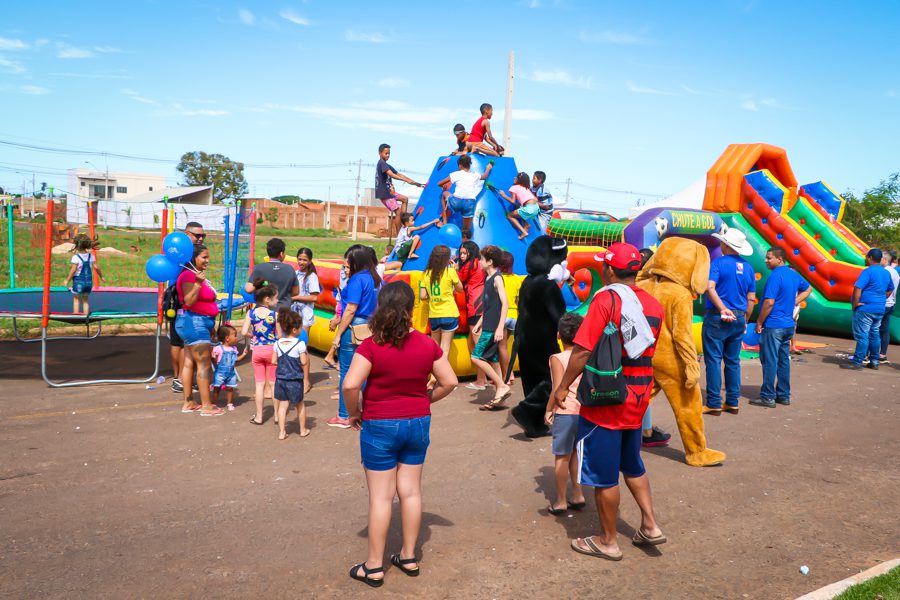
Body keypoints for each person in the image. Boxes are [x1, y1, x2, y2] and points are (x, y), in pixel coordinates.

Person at [552, 242, 666, 560]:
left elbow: (583, 350)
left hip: (607, 399)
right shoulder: (654, 305)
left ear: (610, 270)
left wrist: (562, 388)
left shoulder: (606, 300)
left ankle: (608, 541)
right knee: (632, 464)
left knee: (603, 476)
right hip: (639, 396)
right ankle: (650, 526)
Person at [343, 281, 458, 587]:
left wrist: (355, 412)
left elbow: (351, 385)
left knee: (381, 497)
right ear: (411, 309)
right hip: (418, 423)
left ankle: (374, 566)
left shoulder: (371, 346)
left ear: (382, 308)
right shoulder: (426, 344)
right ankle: (408, 556)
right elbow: (450, 381)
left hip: (380, 423)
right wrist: (423, 400)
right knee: (411, 491)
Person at [703, 228, 756, 415]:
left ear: (725, 244)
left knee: (714, 360)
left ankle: (714, 403)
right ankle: (732, 402)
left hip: (717, 317)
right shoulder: (749, 268)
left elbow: (710, 287)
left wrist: (722, 308)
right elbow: (751, 299)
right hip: (740, 317)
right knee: (733, 361)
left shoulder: (717, 263)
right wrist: (744, 319)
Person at [329, 245, 382, 428]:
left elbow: (350, 309)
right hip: (371, 327)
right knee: (367, 372)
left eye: (348, 264)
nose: (346, 268)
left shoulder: (357, 280)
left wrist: (338, 335)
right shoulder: (376, 279)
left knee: (347, 372)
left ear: (355, 262)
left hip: (354, 328)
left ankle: (344, 415)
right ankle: (368, 411)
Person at [751, 248, 812, 406]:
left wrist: (759, 322)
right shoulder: (793, 274)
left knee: (770, 360)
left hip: (774, 325)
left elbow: (769, 302)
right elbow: (808, 289)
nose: (766, 260)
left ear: (780, 259)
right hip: (788, 326)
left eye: (769, 258)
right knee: (783, 361)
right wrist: (795, 301)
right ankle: (783, 395)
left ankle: (768, 396)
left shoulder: (775, 276)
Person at [544, 312, 587, 515]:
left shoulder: (557, 358)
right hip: (584, 410)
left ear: (558, 336)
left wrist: (548, 409)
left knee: (561, 456)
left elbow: (558, 387)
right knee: (576, 454)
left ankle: (561, 500)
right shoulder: (586, 355)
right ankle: (578, 494)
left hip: (565, 410)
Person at [175, 243, 223, 416]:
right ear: (193, 258)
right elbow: (188, 301)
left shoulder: (192, 275)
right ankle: (207, 406)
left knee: (189, 363)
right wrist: (197, 284)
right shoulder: (189, 276)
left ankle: (189, 402)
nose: (207, 260)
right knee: (203, 365)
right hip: (194, 323)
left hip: (194, 323)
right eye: (204, 257)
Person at [636, 248, 670, 448]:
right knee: (645, 388)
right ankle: (646, 431)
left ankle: (641, 428)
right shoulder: (664, 287)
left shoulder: (633, 286)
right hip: (656, 345)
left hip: (635, 344)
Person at [471, 245, 512, 410]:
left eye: (481, 259)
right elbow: (488, 308)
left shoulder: (497, 278)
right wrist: (479, 324)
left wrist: (500, 327)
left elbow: (505, 304)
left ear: (489, 261)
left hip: (493, 327)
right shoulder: (488, 279)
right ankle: (499, 397)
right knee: (494, 362)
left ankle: (501, 385)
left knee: (476, 356)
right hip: (487, 325)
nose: (480, 262)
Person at [841, 248, 894, 371]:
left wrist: (855, 303)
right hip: (879, 308)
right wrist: (881, 298)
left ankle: (857, 362)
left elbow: (858, 288)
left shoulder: (868, 271)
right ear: (880, 259)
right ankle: (874, 361)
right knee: (874, 335)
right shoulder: (886, 273)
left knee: (862, 335)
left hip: (865, 308)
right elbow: (891, 289)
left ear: (869, 258)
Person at [168, 221, 206, 394]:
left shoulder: (192, 252)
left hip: (189, 294)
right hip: (179, 297)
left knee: (183, 341)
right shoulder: (179, 249)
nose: (200, 238)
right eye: (196, 235)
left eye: (202, 236)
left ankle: (183, 378)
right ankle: (180, 378)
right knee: (180, 342)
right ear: (186, 233)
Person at [242, 279, 278, 424]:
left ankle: (258, 416)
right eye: (276, 298)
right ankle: (277, 415)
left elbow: (244, 332)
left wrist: (254, 336)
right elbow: (280, 336)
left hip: (257, 351)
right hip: (272, 351)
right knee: (274, 383)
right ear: (268, 299)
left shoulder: (251, 313)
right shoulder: (274, 315)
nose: (277, 300)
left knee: (259, 384)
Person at [420, 244, 463, 359]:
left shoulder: (426, 274)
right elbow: (460, 289)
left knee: (435, 346)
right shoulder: (450, 272)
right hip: (449, 313)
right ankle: (441, 375)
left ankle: (434, 375)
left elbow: (422, 296)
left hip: (434, 314)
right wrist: (456, 271)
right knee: (445, 348)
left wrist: (434, 297)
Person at [273, 308, 310, 440]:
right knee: (299, 405)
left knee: (283, 406)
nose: (301, 330)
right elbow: (304, 362)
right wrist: (303, 354)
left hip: (281, 379)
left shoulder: (277, 344)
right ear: (294, 330)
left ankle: (282, 432)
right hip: (295, 380)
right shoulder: (300, 344)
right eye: (300, 328)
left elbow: (273, 361)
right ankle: (302, 429)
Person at [375, 144, 424, 237]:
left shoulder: (387, 165)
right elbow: (392, 175)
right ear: (380, 153)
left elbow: (398, 173)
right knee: (398, 212)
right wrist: (405, 180)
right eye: (386, 153)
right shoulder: (381, 163)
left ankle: (405, 224)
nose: (388, 155)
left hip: (390, 193)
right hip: (384, 194)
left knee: (405, 199)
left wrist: (412, 182)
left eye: (389, 154)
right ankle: (400, 235)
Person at [457, 241, 487, 389]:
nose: (462, 256)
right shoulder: (478, 262)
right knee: (472, 340)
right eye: (460, 253)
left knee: (477, 342)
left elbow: (457, 279)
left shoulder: (470, 264)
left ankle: (481, 380)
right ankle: (484, 376)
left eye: (464, 253)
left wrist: (455, 268)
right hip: (479, 301)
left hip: (475, 303)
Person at [438, 155, 493, 232]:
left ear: (460, 165)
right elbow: (484, 177)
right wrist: (488, 168)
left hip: (456, 201)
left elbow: (439, 183)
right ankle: (465, 238)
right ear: (469, 165)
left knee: (444, 194)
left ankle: (444, 222)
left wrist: (443, 186)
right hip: (469, 203)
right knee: (466, 229)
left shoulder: (456, 174)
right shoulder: (475, 175)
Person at [245, 238, 299, 311]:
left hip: (264, 311)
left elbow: (248, 289)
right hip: (283, 311)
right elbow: (296, 292)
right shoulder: (290, 269)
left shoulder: (259, 268)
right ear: (281, 254)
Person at [64, 233, 102, 314]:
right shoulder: (91, 256)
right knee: (85, 300)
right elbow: (96, 267)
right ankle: (86, 316)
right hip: (88, 282)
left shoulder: (76, 257)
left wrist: (67, 280)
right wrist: (101, 276)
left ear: (77, 245)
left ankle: (76, 315)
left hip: (78, 282)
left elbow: (73, 270)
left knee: (76, 299)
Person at [211, 324, 247, 411]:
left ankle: (229, 403)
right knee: (217, 389)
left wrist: (243, 355)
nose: (236, 337)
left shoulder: (234, 349)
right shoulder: (218, 348)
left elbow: (236, 360)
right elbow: (214, 360)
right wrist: (212, 356)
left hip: (231, 373)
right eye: (234, 335)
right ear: (227, 338)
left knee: (230, 388)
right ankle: (214, 404)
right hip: (220, 373)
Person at [498, 251, 521, 386]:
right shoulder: (517, 279)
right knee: (504, 346)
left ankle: (508, 374)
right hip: (514, 316)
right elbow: (518, 301)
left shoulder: (498, 278)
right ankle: (507, 372)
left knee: (502, 348)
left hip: (503, 315)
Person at [324, 260, 349, 371]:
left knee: (342, 333)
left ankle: (334, 358)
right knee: (342, 334)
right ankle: (332, 357)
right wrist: (337, 316)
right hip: (343, 307)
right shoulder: (347, 275)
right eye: (345, 267)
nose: (346, 269)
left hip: (341, 306)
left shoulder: (343, 272)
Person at [497, 172, 539, 240]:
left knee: (509, 215)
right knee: (518, 206)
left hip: (529, 209)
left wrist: (503, 195)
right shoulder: (526, 188)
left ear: (518, 179)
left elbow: (513, 201)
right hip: (536, 208)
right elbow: (536, 199)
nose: (514, 178)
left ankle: (523, 232)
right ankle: (526, 224)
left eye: (516, 177)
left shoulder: (514, 187)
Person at [877, 250, 899, 362]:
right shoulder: (894, 272)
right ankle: (882, 354)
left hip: (883, 303)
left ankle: (871, 354)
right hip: (891, 304)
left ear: (885, 260)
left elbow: (884, 288)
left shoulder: (885, 272)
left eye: (879, 258)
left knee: (874, 329)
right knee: (884, 330)